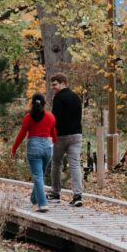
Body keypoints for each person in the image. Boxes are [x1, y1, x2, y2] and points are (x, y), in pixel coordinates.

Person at [11, 92, 57, 213]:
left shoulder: (28, 117)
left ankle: (43, 204)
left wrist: (14, 148)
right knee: (40, 175)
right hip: (48, 148)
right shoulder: (51, 116)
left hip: (34, 147)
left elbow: (21, 134)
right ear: (44, 103)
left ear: (32, 103)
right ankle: (34, 199)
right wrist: (55, 143)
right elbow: (54, 134)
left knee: (38, 176)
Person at [48, 73, 84, 207]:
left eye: (55, 84)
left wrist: (51, 135)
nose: (53, 87)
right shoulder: (76, 97)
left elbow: (54, 119)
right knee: (74, 164)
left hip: (61, 136)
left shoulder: (59, 97)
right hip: (76, 135)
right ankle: (77, 195)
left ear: (63, 83)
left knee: (56, 163)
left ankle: (55, 192)